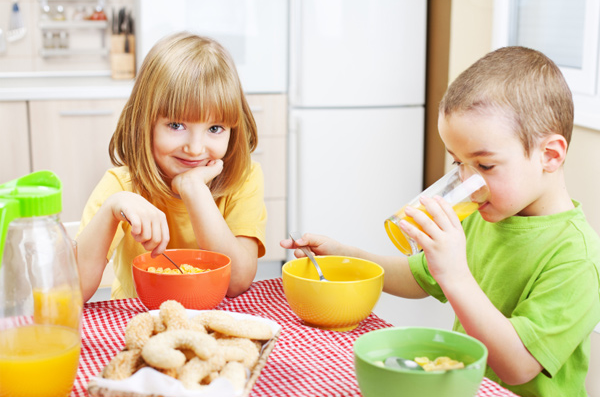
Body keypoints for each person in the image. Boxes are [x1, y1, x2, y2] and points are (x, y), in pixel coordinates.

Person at [281, 46, 600, 397]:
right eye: (458, 164)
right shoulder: (486, 214)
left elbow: (518, 365)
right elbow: (419, 277)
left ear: (550, 155)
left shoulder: (577, 257)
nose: (466, 182)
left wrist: (456, 274)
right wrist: (348, 256)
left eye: (485, 165)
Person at [77, 32, 267, 302]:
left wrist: (193, 189)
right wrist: (111, 209)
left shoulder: (244, 179)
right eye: (176, 125)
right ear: (145, 122)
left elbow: (236, 282)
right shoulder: (122, 186)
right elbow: (72, 291)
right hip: (138, 319)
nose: (195, 148)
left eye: (215, 128)